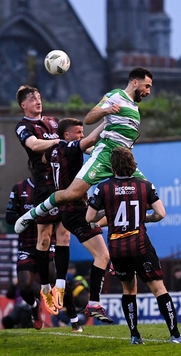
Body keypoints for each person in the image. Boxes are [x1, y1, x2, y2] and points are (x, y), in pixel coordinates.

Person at [15, 67, 154, 232]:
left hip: (124, 160)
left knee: (147, 200)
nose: (148, 91)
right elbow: (88, 119)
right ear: (135, 82)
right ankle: (31, 214)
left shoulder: (134, 108)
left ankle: (96, 218)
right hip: (105, 155)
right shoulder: (115, 96)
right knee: (72, 194)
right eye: (147, 86)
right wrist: (106, 110)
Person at [86, 146, 181, 344]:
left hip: (117, 248)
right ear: (133, 164)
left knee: (128, 290)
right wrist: (144, 218)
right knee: (159, 289)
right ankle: (175, 335)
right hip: (140, 244)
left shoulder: (103, 188)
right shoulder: (145, 186)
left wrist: (107, 211)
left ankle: (135, 335)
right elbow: (161, 214)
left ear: (112, 166)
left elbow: (90, 218)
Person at [44, 117, 112, 323]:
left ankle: (61, 286)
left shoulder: (54, 150)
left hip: (68, 209)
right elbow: (89, 141)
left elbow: (45, 160)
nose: (81, 135)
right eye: (78, 132)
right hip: (76, 210)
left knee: (112, 215)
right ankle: (93, 303)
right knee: (102, 255)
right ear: (66, 135)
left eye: (81, 132)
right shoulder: (68, 148)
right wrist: (107, 120)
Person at [13, 85, 69, 315]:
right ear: (23, 105)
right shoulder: (23, 126)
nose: (37, 101)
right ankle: (45, 287)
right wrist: (57, 143)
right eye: (31, 98)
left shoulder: (54, 121)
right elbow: (34, 145)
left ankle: (60, 286)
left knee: (64, 235)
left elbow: (71, 140)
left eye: (38, 97)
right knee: (44, 238)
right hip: (44, 185)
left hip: (63, 183)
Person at [6, 176, 71, 331]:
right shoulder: (19, 188)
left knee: (54, 275)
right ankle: (35, 306)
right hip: (27, 246)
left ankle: (73, 317)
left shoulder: (55, 187)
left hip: (48, 242)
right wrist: (32, 216)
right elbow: (9, 217)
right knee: (24, 287)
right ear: (31, 166)